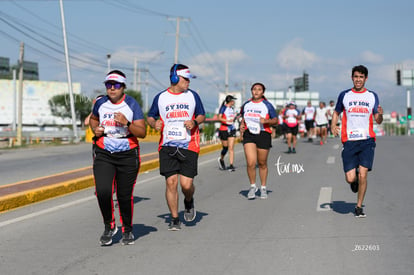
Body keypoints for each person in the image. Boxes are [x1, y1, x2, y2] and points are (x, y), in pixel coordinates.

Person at [89, 70, 146, 245]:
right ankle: (109, 225)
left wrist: (126, 123)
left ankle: (127, 229)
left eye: (116, 85)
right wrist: (96, 129)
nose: (112, 88)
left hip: (127, 154)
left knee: (124, 195)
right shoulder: (100, 102)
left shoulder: (131, 104)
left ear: (123, 87)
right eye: (108, 85)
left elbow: (142, 132)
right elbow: (93, 119)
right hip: (104, 152)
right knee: (103, 191)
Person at [147, 64, 205, 231]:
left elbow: (201, 115)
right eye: (185, 78)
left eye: (189, 79)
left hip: (189, 144)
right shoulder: (161, 97)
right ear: (174, 78)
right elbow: (151, 116)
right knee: (171, 182)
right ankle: (174, 218)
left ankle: (188, 201)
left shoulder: (193, 96)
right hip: (167, 145)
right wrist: (154, 123)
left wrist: (194, 122)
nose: (188, 82)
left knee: (186, 185)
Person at [331, 65, 383, 218]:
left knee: (363, 175)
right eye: (356, 76)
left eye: (361, 77)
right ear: (352, 78)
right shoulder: (345, 95)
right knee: (350, 178)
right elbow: (336, 112)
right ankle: (354, 181)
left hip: (367, 140)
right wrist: (333, 124)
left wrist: (380, 115)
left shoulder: (372, 96)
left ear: (366, 78)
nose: (358, 79)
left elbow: (378, 120)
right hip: (350, 141)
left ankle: (358, 207)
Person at [240, 83, 278, 199]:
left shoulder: (267, 105)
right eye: (254, 89)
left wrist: (266, 121)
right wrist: (242, 126)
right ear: (251, 91)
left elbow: (275, 120)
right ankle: (252, 187)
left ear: (263, 92)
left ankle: (263, 187)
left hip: (263, 134)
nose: (256, 92)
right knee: (251, 162)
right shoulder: (246, 104)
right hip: (249, 134)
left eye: (259, 90)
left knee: (262, 163)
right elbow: (243, 118)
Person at [217, 95, 237, 171]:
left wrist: (234, 119)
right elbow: (219, 117)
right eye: (233, 100)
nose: (234, 102)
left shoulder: (232, 109)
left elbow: (232, 117)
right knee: (225, 147)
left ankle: (231, 165)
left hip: (231, 129)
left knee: (231, 147)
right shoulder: (223, 108)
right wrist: (227, 121)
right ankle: (221, 159)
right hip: (224, 129)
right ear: (230, 101)